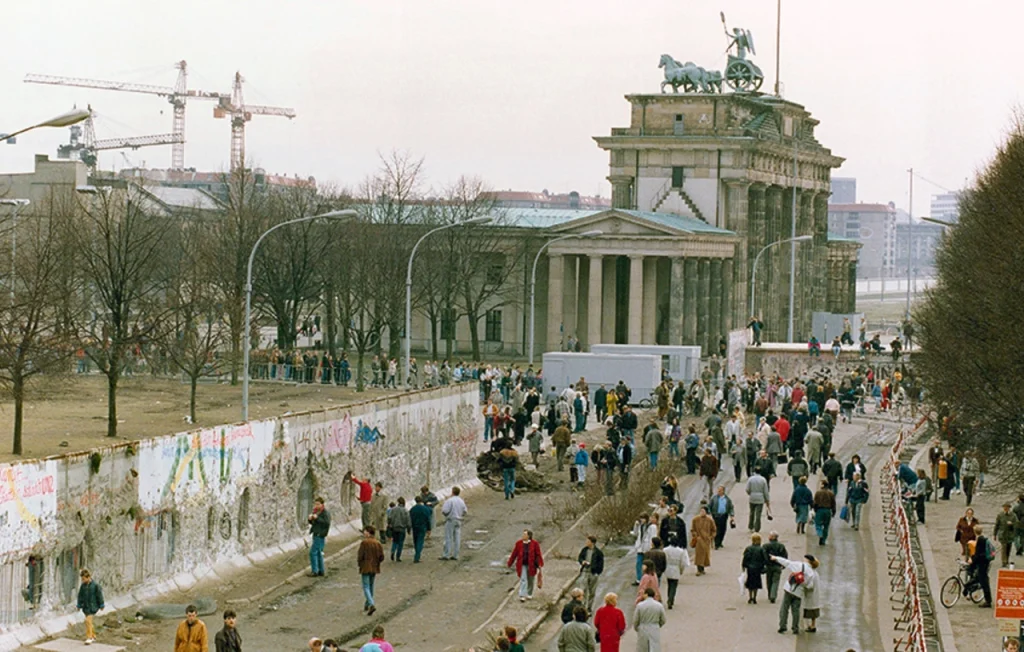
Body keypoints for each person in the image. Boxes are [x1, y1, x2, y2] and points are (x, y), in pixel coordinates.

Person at [770, 553, 819, 635]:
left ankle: (783, 626)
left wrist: (776, 558)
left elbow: (787, 562)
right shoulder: (812, 573)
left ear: (807, 560)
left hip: (789, 589)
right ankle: (795, 628)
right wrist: (803, 584)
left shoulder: (798, 565)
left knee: (784, 608)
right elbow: (810, 586)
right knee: (795, 611)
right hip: (799, 593)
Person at [508, 529, 544, 602]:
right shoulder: (519, 543)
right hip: (522, 565)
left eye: (525, 534)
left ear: (529, 536)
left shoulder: (535, 544)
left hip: (532, 565)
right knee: (523, 579)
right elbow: (514, 553)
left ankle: (529, 593)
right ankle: (522, 595)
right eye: (523, 534)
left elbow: (538, 554)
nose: (523, 536)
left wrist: (540, 563)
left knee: (531, 579)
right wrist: (510, 562)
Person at [357, 526, 385, 616]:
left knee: (366, 586)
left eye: (364, 532)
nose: (364, 533)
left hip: (366, 566)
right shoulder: (378, 543)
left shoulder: (364, 543)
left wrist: (360, 564)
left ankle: (371, 604)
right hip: (374, 567)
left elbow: (360, 555)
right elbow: (382, 557)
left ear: (368, 533)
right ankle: (367, 604)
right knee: (371, 585)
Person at [633, 587, 667, 652]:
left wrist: (636, 627)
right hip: (654, 627)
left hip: (643, 627)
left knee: (642, 647)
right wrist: (658, 624)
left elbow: (636, 619)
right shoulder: (659, 605)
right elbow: (663, 619)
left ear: (646, 594)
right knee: (654, 646)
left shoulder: (640, 605)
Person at [76, 569, 104, 645]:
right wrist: (79, 605)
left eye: (84, 579)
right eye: (82, 579)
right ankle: (93, 635)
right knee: (90, 623)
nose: (83, 580)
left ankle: (89, 637)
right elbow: (80, 596)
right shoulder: (83, 586)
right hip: (85, 607)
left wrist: (101, 604)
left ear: (88, 577)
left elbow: (99, 595)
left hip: (93, 607)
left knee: (87, 621)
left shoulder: (95, 585)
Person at [578, 535, 605, 611]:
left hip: (593, 573)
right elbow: (580, 557)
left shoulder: (598, 553)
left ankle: (589, 607)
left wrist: (597, 572)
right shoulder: (584, 550)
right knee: (583, 590)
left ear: (592, 543)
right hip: (584, 572)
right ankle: (582, 606)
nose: (586, 543)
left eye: (588, 541)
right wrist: (582, 562)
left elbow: (601, 564)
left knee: (592, 591)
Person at [440, 486, 467, 560]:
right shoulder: (461, 501)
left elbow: (445, 511)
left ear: (452, 492)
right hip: (459, 520)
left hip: (450, 520)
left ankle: (446, 554)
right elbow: (465, 511)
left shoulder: (450, 501)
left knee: (448, 537)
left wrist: (447, 515)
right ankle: (456, 555)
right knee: (457, 538)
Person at [306, 497, 330, 577]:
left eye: (318, 504)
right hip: (316, 533)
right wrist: (310, 519)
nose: (316, 505)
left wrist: (317, 518)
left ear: (322, 504)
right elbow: (314, 523)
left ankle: (315, 571)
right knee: (319, 553)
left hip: (320, 534)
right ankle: (321, 570)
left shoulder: (325, 513)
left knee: (313, 553)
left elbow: (326, 523)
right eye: (315, 504)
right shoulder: (316, 512)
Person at [970, 525, 994, 607]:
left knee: (984, 582)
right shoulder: (983, 539)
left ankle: (988, 601)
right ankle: (967, 590)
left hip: (982, 564)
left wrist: (972, 561)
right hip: (985, 563)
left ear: (974, 532)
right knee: (979, 578)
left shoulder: (980, 540)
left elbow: (978, 554)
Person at [742, 533, 769, 604]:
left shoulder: (748, 548)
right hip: (758, 568)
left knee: (750, 582)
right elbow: (765, 559)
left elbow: (745, 558)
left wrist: (744, 566)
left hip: (750, 568)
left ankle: (750, 596)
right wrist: (764, 566)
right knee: (756, 582)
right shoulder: (761, 549)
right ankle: (755, 597)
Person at [763, 532, 789, 604]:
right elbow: (785, 556)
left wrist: (764, 564)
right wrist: (783, 565)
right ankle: (773, 595)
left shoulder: (765, 546)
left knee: (769, 581)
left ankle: (770, 594)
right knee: (775, 581)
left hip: (769, 566)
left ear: (772, 537)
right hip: (778, 566)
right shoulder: (781, 546)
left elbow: (763, 556)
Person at [631, 513, 657, 584]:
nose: (641, 520)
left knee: (647, 565)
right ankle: (639, 579)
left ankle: (648, 579)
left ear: (646, 518)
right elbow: (635, 534)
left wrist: (652, 547)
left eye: (643, 518)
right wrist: (635, 526)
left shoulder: (652, 526)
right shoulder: (640, 526)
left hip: (647, 548)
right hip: (640, 547)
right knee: (638, 563)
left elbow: (653, 537)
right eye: (641, 518)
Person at [690, 505, 717, 576]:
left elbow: (714, 530)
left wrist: (711, 537)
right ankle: (699, 569)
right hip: (699, 539)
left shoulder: (710, 520)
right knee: (699, 554)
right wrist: (695, 536)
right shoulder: (695, 519)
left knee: (705, 555)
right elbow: (692, 529)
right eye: (701, 511)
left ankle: (702, 568)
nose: (702, 512)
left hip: (706, 540)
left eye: (703, 511)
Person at [995, 503, 1020, 568]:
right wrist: (995, 534)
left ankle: (1007, 559)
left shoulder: (1013, 515)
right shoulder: (1000, 515)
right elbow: (997, 525)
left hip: (1010, 535)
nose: (1005, 509)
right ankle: (1004, 561)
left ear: (1009, 508)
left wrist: (1012, 524)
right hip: (1002, 534)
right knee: (1004, 547)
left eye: (1007, 507)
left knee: (1008, 548)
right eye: (1004, 507)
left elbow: (1017, 524)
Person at [387, 496, 412, 562]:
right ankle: (398, 556)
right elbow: (408, 521)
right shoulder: (405, 510)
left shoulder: (393, 509)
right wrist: (409, 529)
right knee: (400, 543)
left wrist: (390, 524)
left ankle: (392, 551)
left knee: (395, 541)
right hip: (402, 529)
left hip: (394, 528)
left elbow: (389, 518)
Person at [746, 467, 770, 532]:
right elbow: (766, 491)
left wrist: (750, 493)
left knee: (751, 512)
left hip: (752, 497)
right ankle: (757, 528)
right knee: (758, 514)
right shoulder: (763, 479)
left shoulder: (750, 479)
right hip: (760, 498)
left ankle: (750, 526)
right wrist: (767, 500)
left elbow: (747, 489)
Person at [813, 481, 837, 545]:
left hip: (820, 510)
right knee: (826, 526)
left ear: (823, 485)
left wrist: (815, 509)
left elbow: (815, 502)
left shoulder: (818, 493)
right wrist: (834, 511)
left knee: (818, 524)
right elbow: (833, 503)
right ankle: (823, 540)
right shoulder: (831, 493)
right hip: (827, 511)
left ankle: (820, 534)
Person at [409, 495, 432, 563]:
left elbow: (410, 519)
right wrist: (429, 529)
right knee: (420, 541)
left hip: (414, 527)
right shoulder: (425, 509)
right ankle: (417, 556)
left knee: (415, 541)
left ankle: (417, 553)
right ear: (421, 501)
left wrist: (409, 528)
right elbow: (428, 519)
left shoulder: (412, 509)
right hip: (422, 527)